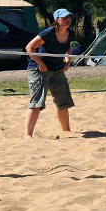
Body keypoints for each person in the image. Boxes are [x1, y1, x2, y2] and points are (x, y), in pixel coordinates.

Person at [24, 8, 76, 139]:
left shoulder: (70, 33)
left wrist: (68, 62)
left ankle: (66, 131)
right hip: (39, 69)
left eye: (69, 17)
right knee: (37, 102)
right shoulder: (49, 32)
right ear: (56, 20)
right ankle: (27, 135)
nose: (67, 20)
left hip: (57, 69)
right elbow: (29, 47)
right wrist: (41, 64)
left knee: (63, 102)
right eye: (64, 17)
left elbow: (69, 48)